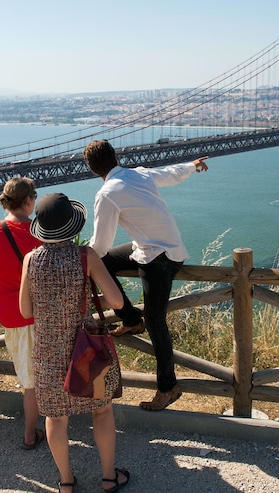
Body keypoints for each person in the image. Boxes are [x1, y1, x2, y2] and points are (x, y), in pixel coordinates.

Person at [83, 139, 209, 412]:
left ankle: (168, 387)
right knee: (103, 262)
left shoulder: (106, 194)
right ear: (116, 156)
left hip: (159, 258)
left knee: (156, 322)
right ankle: (130, 318)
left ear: (92, 170)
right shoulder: (138, 173)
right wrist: (192, 165)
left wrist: (80, 258)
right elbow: (170, 174)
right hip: (163, 247)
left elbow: (100, 246)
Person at [19, 193, 130, 493]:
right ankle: (108, 477)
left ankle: (66, 482)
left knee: (55, 418)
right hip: (86, 350)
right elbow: (117, 301)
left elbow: (26, 311)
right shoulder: (85, 257)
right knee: (102, 410)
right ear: (71, 225)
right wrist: (91, 297)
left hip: (47, 351)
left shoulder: (31, 260)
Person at [0, 177, 45, 450]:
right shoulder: (40, 231)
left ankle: (38, 430)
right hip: (38, 312)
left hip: (9, 312)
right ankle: (30, 434)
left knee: (29, 377)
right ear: (29, 200)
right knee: (40, 379)